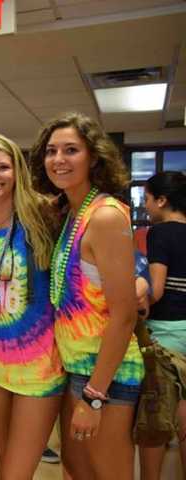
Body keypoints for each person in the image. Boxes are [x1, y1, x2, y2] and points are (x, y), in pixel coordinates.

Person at [30, 112, 144, 480]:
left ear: (93, 157)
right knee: (77, 470)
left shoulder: (106, 216)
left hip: (105, 377)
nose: (58, 159)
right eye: (51, 151)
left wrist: (94, 396)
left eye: (71, 150)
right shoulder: (72, 212)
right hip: (77, 369)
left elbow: (124, 314)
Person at [0, 133, 66, 478]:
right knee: (3, 461)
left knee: (15, 472)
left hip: (38, 366)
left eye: (3, 167)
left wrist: (138, 278)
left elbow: (86, 255)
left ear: (17, 172)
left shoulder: (43, 215)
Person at [138, 171, 186, 480]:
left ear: (162, 200)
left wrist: (137, 294)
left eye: (147, 199)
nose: (146, 206)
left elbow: (155, 290)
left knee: (155, 419)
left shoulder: (160, 233)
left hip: (167, 335)